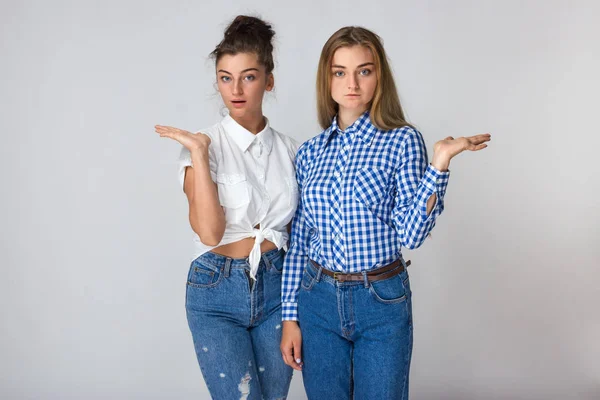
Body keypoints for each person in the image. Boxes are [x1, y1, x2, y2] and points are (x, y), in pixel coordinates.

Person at [280, 26, 491, 399]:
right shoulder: (309, 153)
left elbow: (411, 236)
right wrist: (289, 317)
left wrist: (438, 164)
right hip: (318, 300)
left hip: (380, 300)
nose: (353, 84)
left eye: (364, 70)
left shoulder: (402, 140)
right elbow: (299, 241)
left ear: (379, 76)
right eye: (340, 72)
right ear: (326, 78)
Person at [155, 15, 297, 400]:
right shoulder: (201, 147)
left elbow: (299, 233)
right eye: (225, 77)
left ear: (268, 80)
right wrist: (200, 154)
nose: (235, 89)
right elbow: (209, 233)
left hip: (278, 288)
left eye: (248, 77)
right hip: (216, 291)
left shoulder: (290, 150)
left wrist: (295, 309)